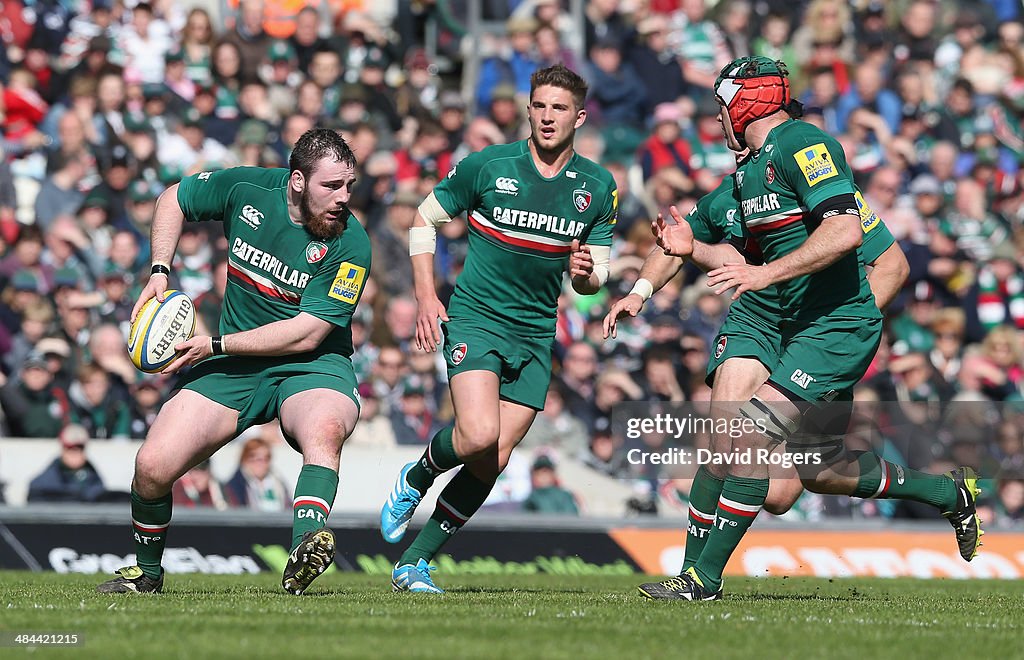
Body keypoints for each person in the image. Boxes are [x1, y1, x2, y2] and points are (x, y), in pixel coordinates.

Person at [632, 57, 981, 600]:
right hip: (779, 329)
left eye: (721, 107)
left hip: (829, 333)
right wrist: (642, 289)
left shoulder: (808, 151)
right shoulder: (742, 181)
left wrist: (840, 324)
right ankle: (944, 492)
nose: (716, 120)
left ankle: (701, 580)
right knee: (777, 463)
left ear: (744, 104)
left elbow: (869, 250)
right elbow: (686, 241)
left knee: (756, 449)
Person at [96, 128, 371, 596]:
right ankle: (147, 574)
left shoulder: (352, 243)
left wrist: (216, 344)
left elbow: (308, 333)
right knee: (152, 466)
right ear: (298, 181)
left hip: (312, 365)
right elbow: (172, 199)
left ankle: (306, 548)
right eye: (332, 186)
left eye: (349, 186)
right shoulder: (247, 189)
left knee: (324, 430)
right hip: (234, 365)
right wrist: (159, 271)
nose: (343, 198)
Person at [380, 65, 617, 593]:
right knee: (478, 434)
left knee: (495, 457)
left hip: (536, 331)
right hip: (477, 316)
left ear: (578, 117)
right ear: (528, 110)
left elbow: (595, 275)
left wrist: (587, 276)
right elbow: (424, 219)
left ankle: (414, 562)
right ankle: (417, 476)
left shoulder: (599, 187)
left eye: (559, 108)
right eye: (540, 105)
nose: (548, 116)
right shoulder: (489, 165)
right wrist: (425, 295)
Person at [27, 425, 108, 503]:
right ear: (63, 449)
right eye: (70, 448)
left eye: (80, 448)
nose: (75, 453)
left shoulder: (94, 478)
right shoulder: (44, 482)